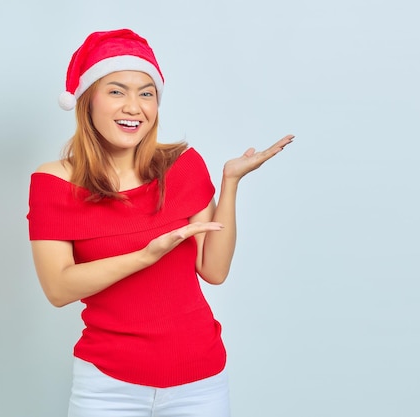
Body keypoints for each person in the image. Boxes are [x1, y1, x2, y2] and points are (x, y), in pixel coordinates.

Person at [27, 28, 293, 417]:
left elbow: (214, 270)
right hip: (107, 387)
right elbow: (58, 288)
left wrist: (230, 183)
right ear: (87, 101)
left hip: (200, 383)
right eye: (117, 91)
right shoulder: (53, 183)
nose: (134, 107)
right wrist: (145, 256)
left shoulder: (184, 167)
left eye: (146, 93)